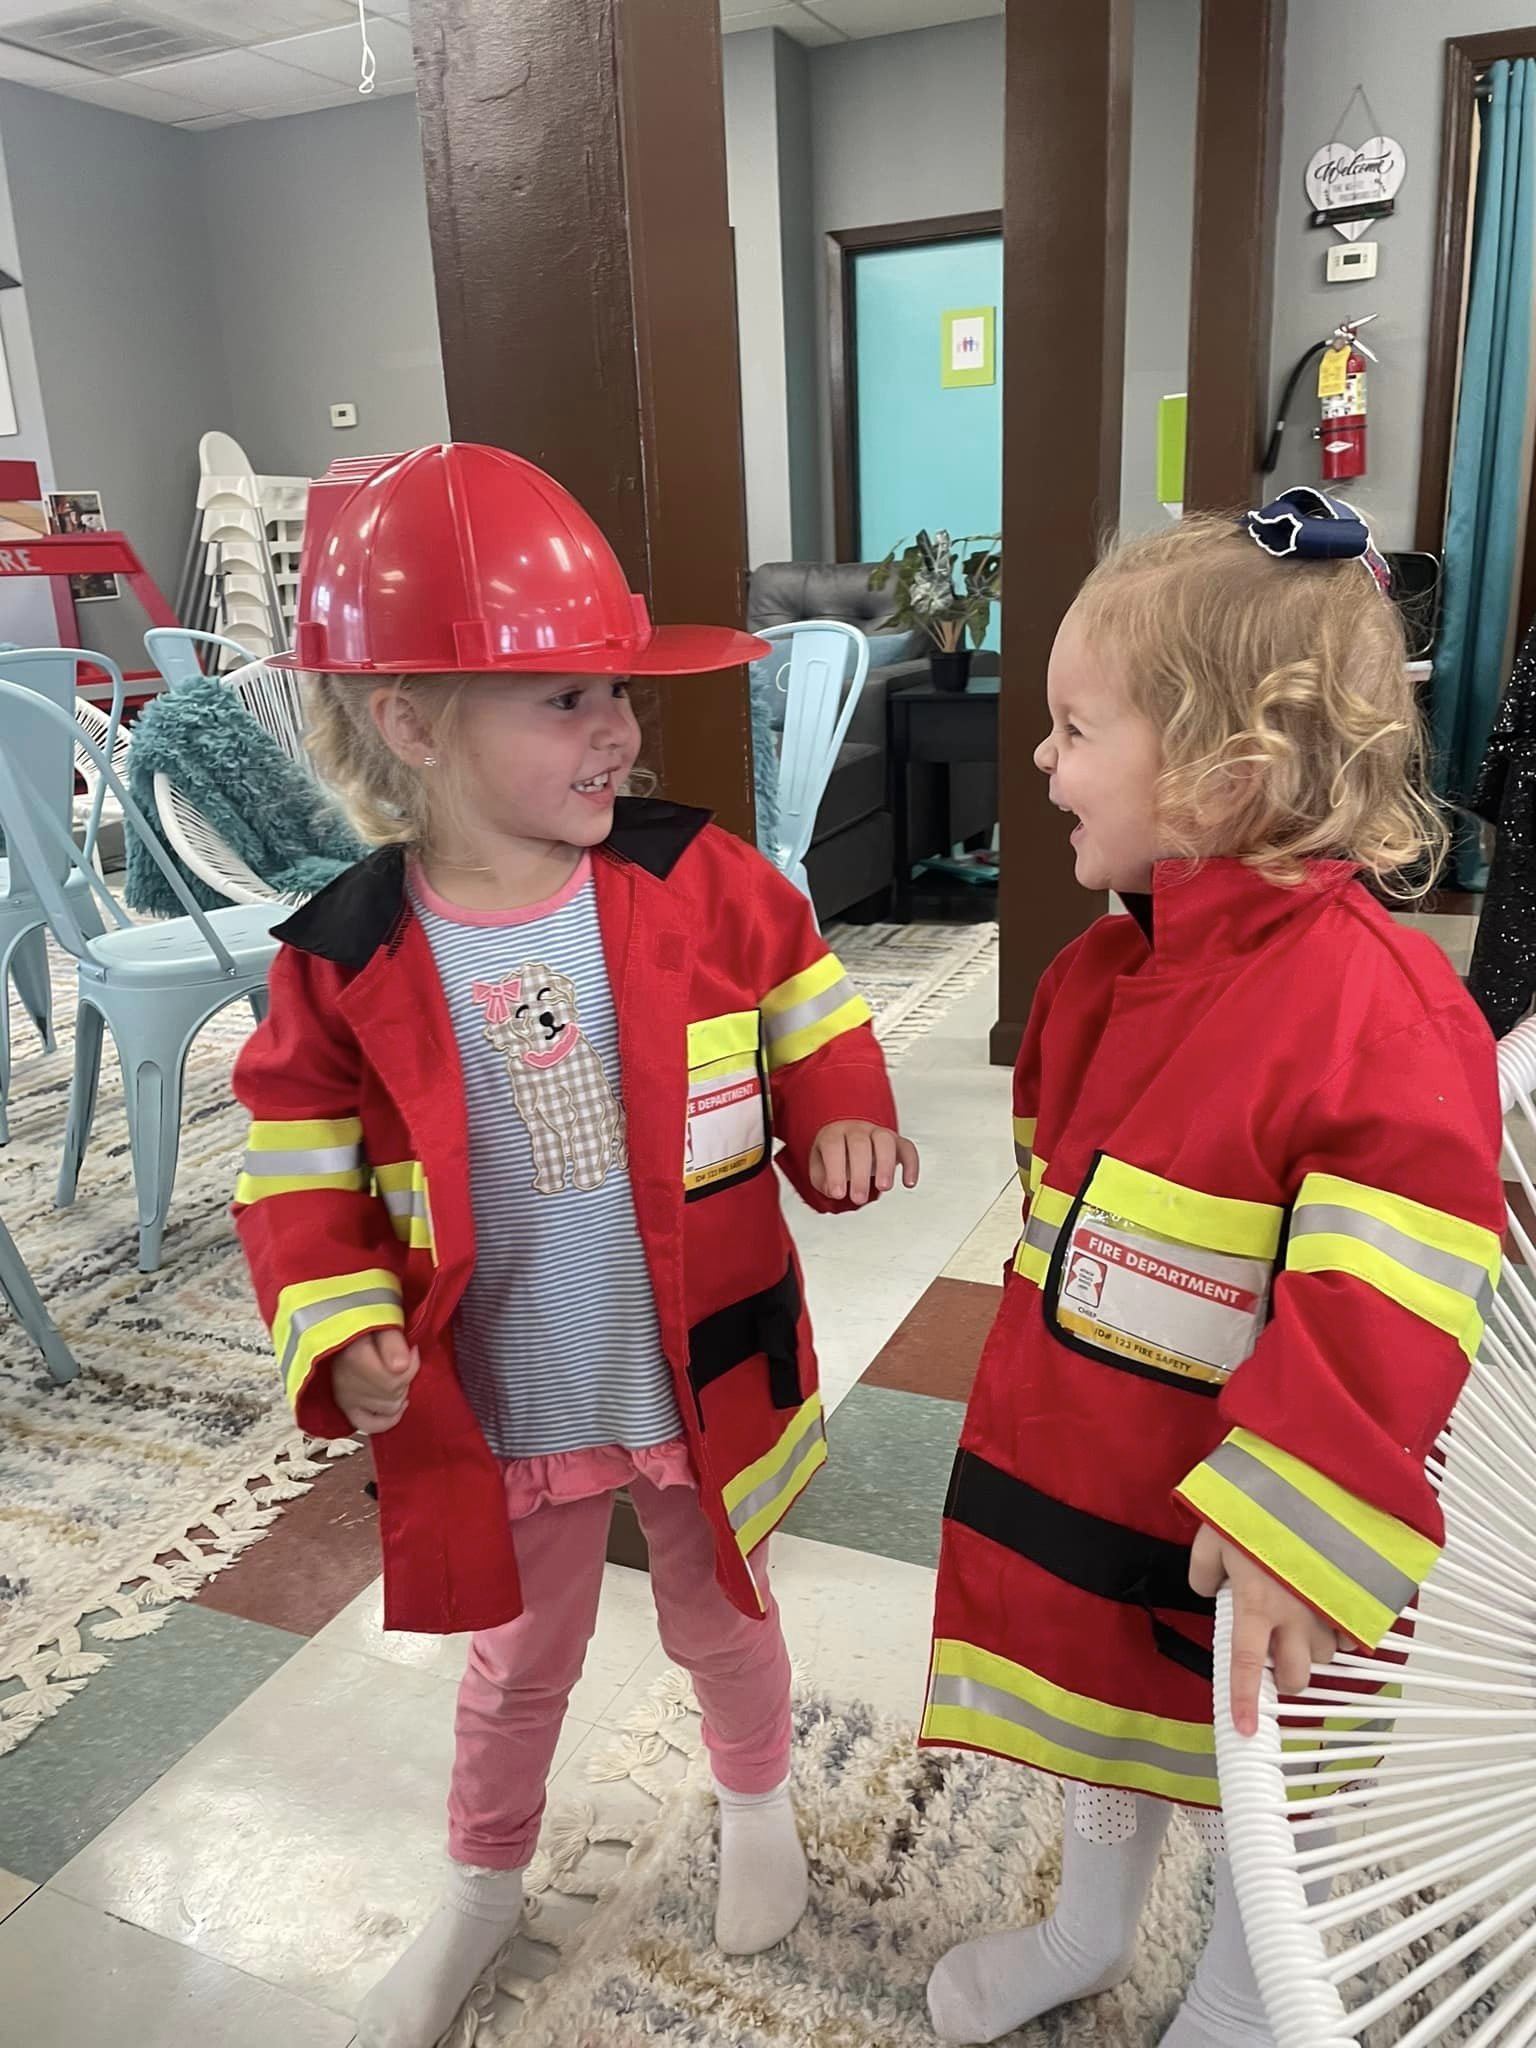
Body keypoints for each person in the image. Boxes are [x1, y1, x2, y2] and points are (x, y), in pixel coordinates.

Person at [230, 444, 919, 2048]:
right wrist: (336, 1326)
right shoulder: (342, 959)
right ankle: (481, 1880)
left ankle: (758, 1805)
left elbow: (809, 993)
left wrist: (839, 1104)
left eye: (617, 691)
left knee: (723, 1606)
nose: (617, 728)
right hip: (507, 1389)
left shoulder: (700, 876)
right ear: (410, 723)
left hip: (693, 1367)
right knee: (516, 1656)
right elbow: (292, 1170)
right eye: (561, 699)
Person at [921, 488, 1504, 2047]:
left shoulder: (1375, 1013)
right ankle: (1090, 1931)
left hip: (1255, 1526)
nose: (1039, 761)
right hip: (1114, 1464)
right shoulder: (1111, 970)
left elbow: (1393, 1299)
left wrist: (1297, 1529)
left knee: (1259, 1783)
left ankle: (1245, 2004)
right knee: (1110, 1724)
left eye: (1072, 726)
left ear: (1223, 769)